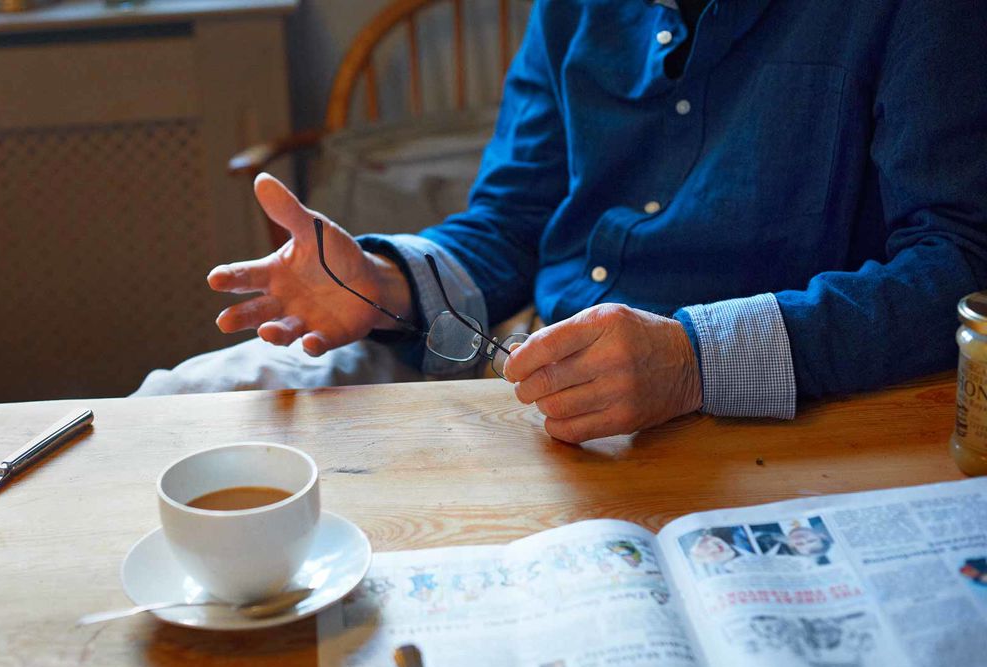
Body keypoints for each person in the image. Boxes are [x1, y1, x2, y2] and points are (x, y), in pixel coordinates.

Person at [135, 0, 987, 444]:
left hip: (779, 419)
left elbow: (957, 262)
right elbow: (510, 219)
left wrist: (696, 361)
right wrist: (386, 280)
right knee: (167, 411)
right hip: (526, 375)